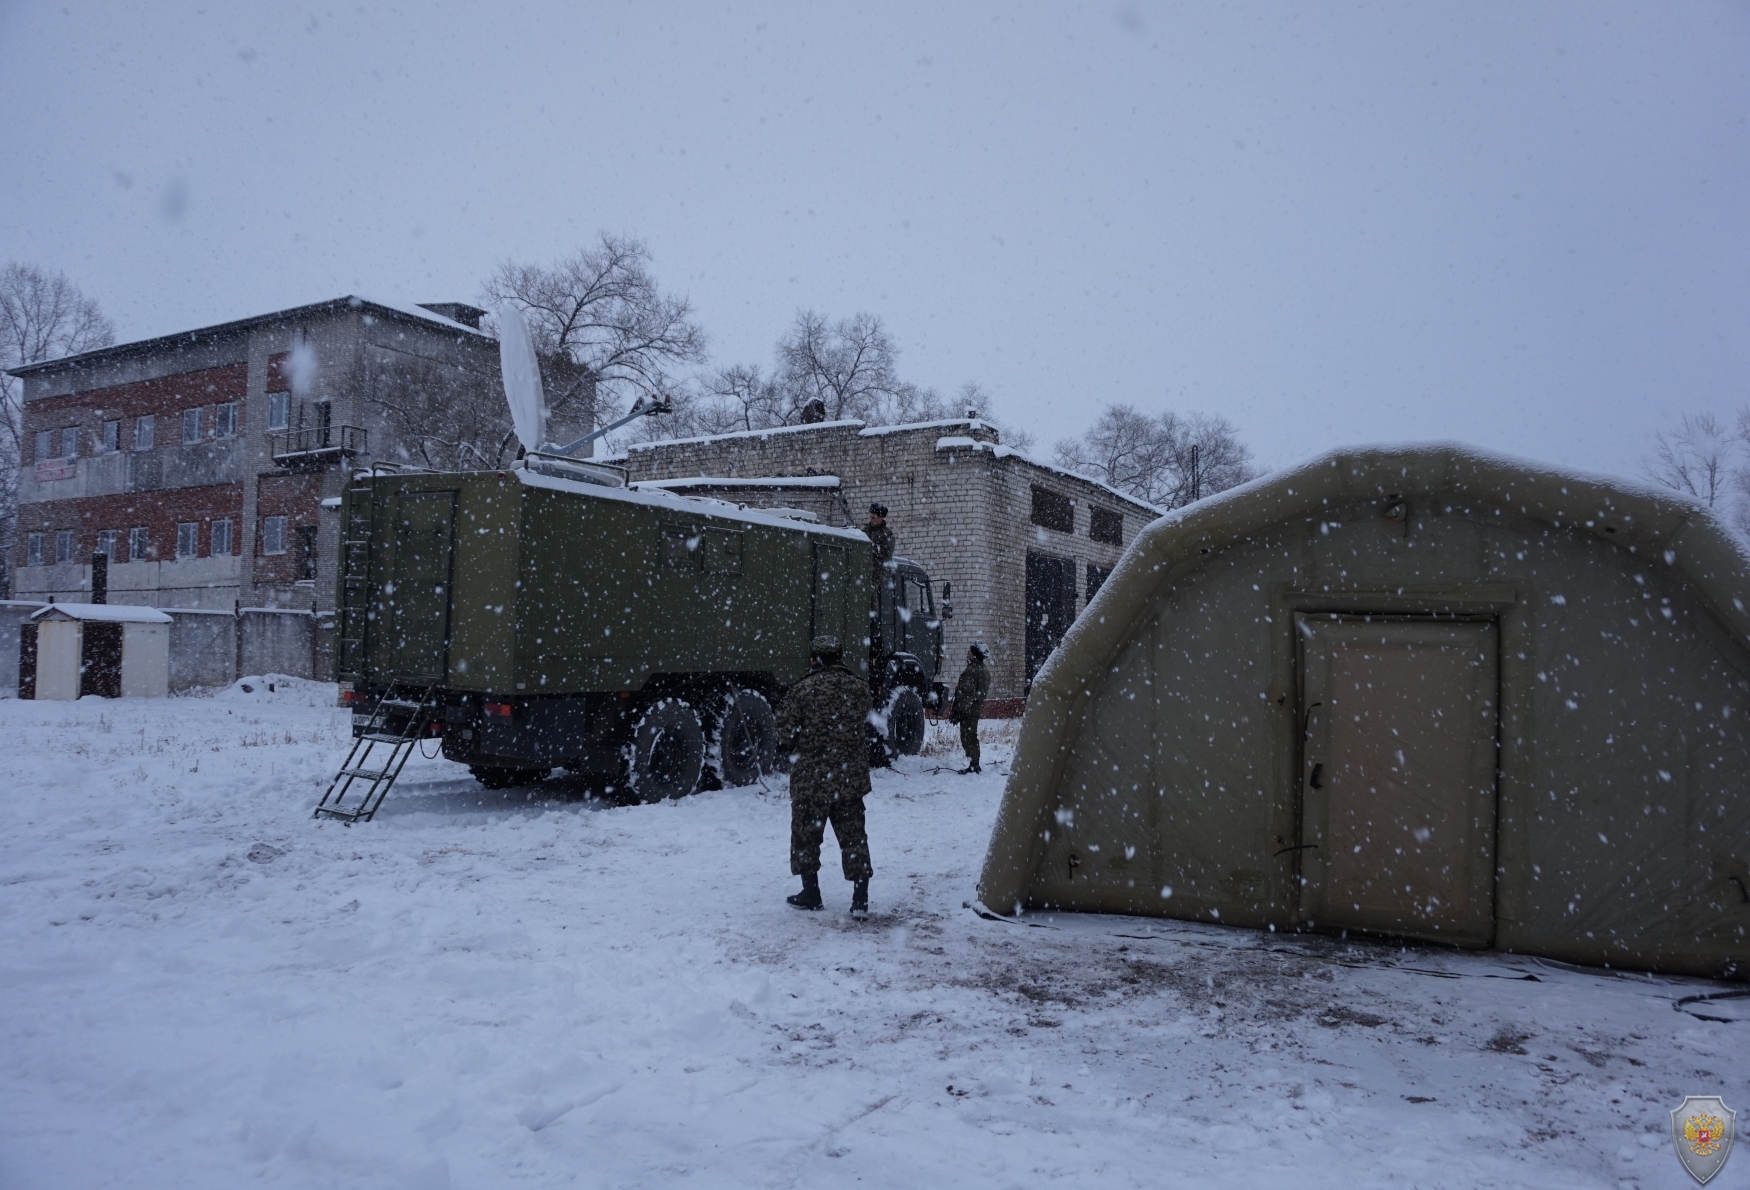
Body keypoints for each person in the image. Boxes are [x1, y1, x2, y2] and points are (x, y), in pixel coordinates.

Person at [776, 635, 875, 915]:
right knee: (854, 838)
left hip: (812, 781)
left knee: (806, 838)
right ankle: (860, 900)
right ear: (840, 657)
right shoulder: (859, 688)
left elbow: (784, 734)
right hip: (849, 780)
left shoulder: (801, 690)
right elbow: (866, 718)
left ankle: (811, 893)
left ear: (813, 658)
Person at [951, 641, 990, 774]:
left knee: (967, 737)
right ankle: (974, 763)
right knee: (971, 735)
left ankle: (974, 764)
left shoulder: (972, 670)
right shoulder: (983, 669)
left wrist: (958, 711)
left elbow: (968, 694)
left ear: (974, 654)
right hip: (975, 709)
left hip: (969, 710)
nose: (967, 652)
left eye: (970, 651)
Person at [864, 503, 894, 574]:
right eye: (870, 517)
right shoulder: (865, 531)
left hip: (877, 575)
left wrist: (868, 548)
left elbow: (885, 554)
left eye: (873, 518)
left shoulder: (887, 534)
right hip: (863, 571)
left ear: (881, 517)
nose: (871, 520)